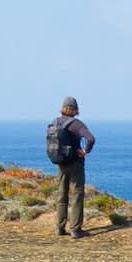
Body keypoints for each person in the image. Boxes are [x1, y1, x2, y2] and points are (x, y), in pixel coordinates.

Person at [51, 97, 96, 237]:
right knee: (77, 194)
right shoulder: (77, 124)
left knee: (61, 194)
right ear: (76, 110)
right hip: (75, 163)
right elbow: (91, 138)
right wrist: (85, 151)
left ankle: (59, 227)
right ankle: (75, 229)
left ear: (62, 108)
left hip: (60, 163)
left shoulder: (55, 122)